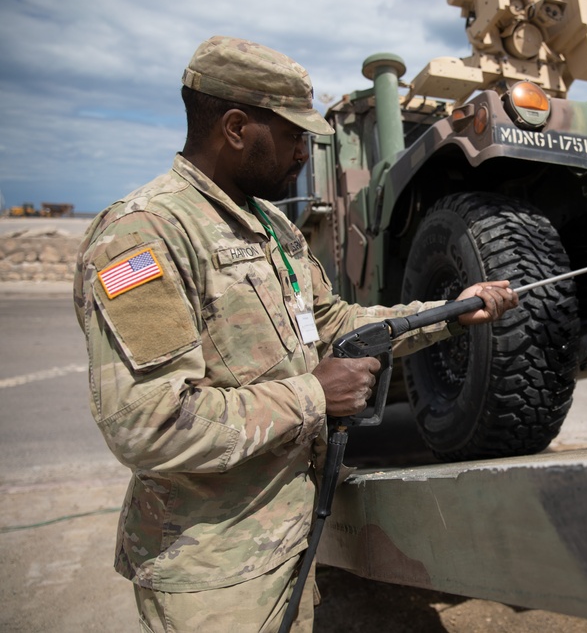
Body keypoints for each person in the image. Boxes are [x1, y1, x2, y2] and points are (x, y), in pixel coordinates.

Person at [73, 36, 518, 633]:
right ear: (235, 127)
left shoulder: (273, 227)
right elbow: (147, 422)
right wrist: (313, 394)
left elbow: (334, 324)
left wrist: (445, 313)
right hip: (214, 572)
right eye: (292, 135)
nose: (306, 152)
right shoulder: (144, 236)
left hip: (288, 539)